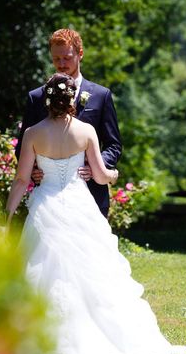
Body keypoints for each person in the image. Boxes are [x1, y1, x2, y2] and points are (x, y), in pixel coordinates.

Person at [5, 73, 186, 354]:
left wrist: (8, 215)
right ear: (71, 101)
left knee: (44, 268)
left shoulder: (33, 133)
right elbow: (103, 175)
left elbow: (21, 180)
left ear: (47, 100)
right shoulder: (85, 131)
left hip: (46, 205)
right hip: (79, 204)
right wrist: (114, 174)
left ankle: (41, 335)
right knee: (91, 270)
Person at [15, 28, 121, 217]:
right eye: (56, 59)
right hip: (49, 199)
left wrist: (96, 167)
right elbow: (23, 144)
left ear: (80, 54)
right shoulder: (36, 97)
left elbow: (113, 144)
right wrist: (33, 169)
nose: (61, 64)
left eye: (67, 58)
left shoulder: (101, 95)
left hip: (92, 192)